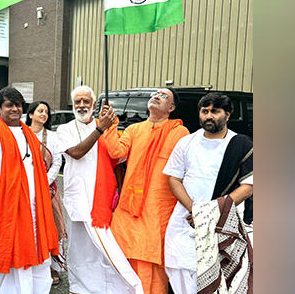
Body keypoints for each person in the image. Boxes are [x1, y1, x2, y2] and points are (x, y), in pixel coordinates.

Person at [0, 47, 58, 294]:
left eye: (18, 105)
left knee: (37, 264)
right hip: (0, 210)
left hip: (32, 209)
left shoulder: (29, 134)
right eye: (8, 105)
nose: (14, 109)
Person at [56, 86, 144, 294]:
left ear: (94, 105)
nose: (82, 105)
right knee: (79, 250)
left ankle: (129, 287)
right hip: (77, 198)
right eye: (77, 101)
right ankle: (80, 288)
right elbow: (76, 153)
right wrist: (100, 129)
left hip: (101, 200)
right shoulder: (66, 129)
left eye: (86, 101)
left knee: (106, 248)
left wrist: (122, 194)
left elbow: (120, 161)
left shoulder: (108, 127)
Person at [162, 92, 253, 294]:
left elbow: (248, 187)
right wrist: (196, 211)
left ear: (227, 115)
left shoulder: (241, 145)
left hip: (223, 222)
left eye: (215, 111)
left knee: (221, 276)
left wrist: (212, 213)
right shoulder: (187, 143)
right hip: (185, 219)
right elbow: (174, 179)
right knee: (181, 269)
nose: (209, 116)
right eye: (205, 111)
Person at [103, 88, 190, 294]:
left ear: (172, 108)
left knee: (152, 262)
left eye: (163, 96)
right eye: (155, 94)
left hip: (159, 208)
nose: (156, 96)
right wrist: (109, 125)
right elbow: (116, 152)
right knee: (125, 256)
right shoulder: (134, 129)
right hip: (130, 206)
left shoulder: (179, 132)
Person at [25, 101, 64, 286]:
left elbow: (57, 162)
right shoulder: (22, 133)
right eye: (40, 111)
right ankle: (29, 265)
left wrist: (43, 182)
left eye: (46, 112)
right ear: (31, 114)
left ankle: (52, 267)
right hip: (25, 189)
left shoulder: (53, 137)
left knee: (52, 227)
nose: (44, 114)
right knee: (29, 228)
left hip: (48, 190)